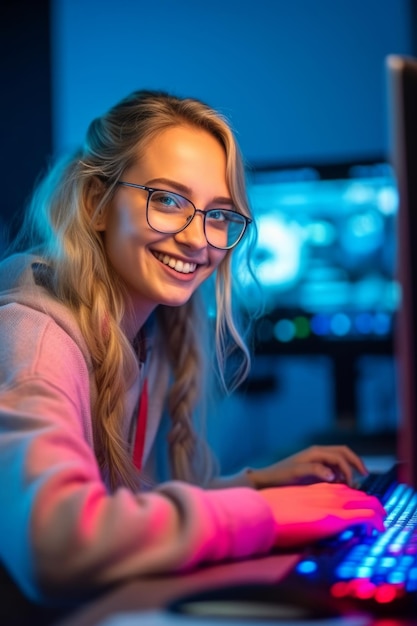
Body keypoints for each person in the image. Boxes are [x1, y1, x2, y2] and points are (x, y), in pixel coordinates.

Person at [0, 90, 385, 606]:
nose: (198, 239)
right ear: (95, 203)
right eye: (169, 200)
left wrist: (254, 487)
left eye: (219, 214)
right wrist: (269, 517)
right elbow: (56, 545)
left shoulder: (148, 331)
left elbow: (121, 513)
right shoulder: (34, 339)